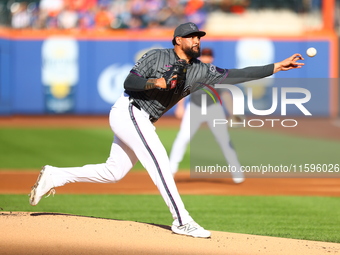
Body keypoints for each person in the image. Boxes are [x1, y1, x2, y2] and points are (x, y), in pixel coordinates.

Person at [29, 22, 304, 239]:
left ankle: (55, 175)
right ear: (178, 41)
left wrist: (277, 66)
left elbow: (235, 75)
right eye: (192, 36)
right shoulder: (156, 56)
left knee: (114, 172)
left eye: (199, 36)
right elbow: (129, 82)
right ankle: (182, 221)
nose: (197, 40)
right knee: (160, 161)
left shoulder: (201, 70)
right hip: (130, 110)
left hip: (142, 119)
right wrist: (154, 83)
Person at [169, 47, 244, 183]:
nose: (206, 58)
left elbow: (226, 95)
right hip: (195, 108)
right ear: (200, 57)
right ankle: (170, 170)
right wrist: (180, 107)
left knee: (224, 139)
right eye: (204, 56)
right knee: (182, 138)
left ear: (212, 58)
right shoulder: (192, 71)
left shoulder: (218, 73)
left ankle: (236, 171)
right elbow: (182, 91)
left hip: (213, 109)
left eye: (208, 56)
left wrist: (233, 114)